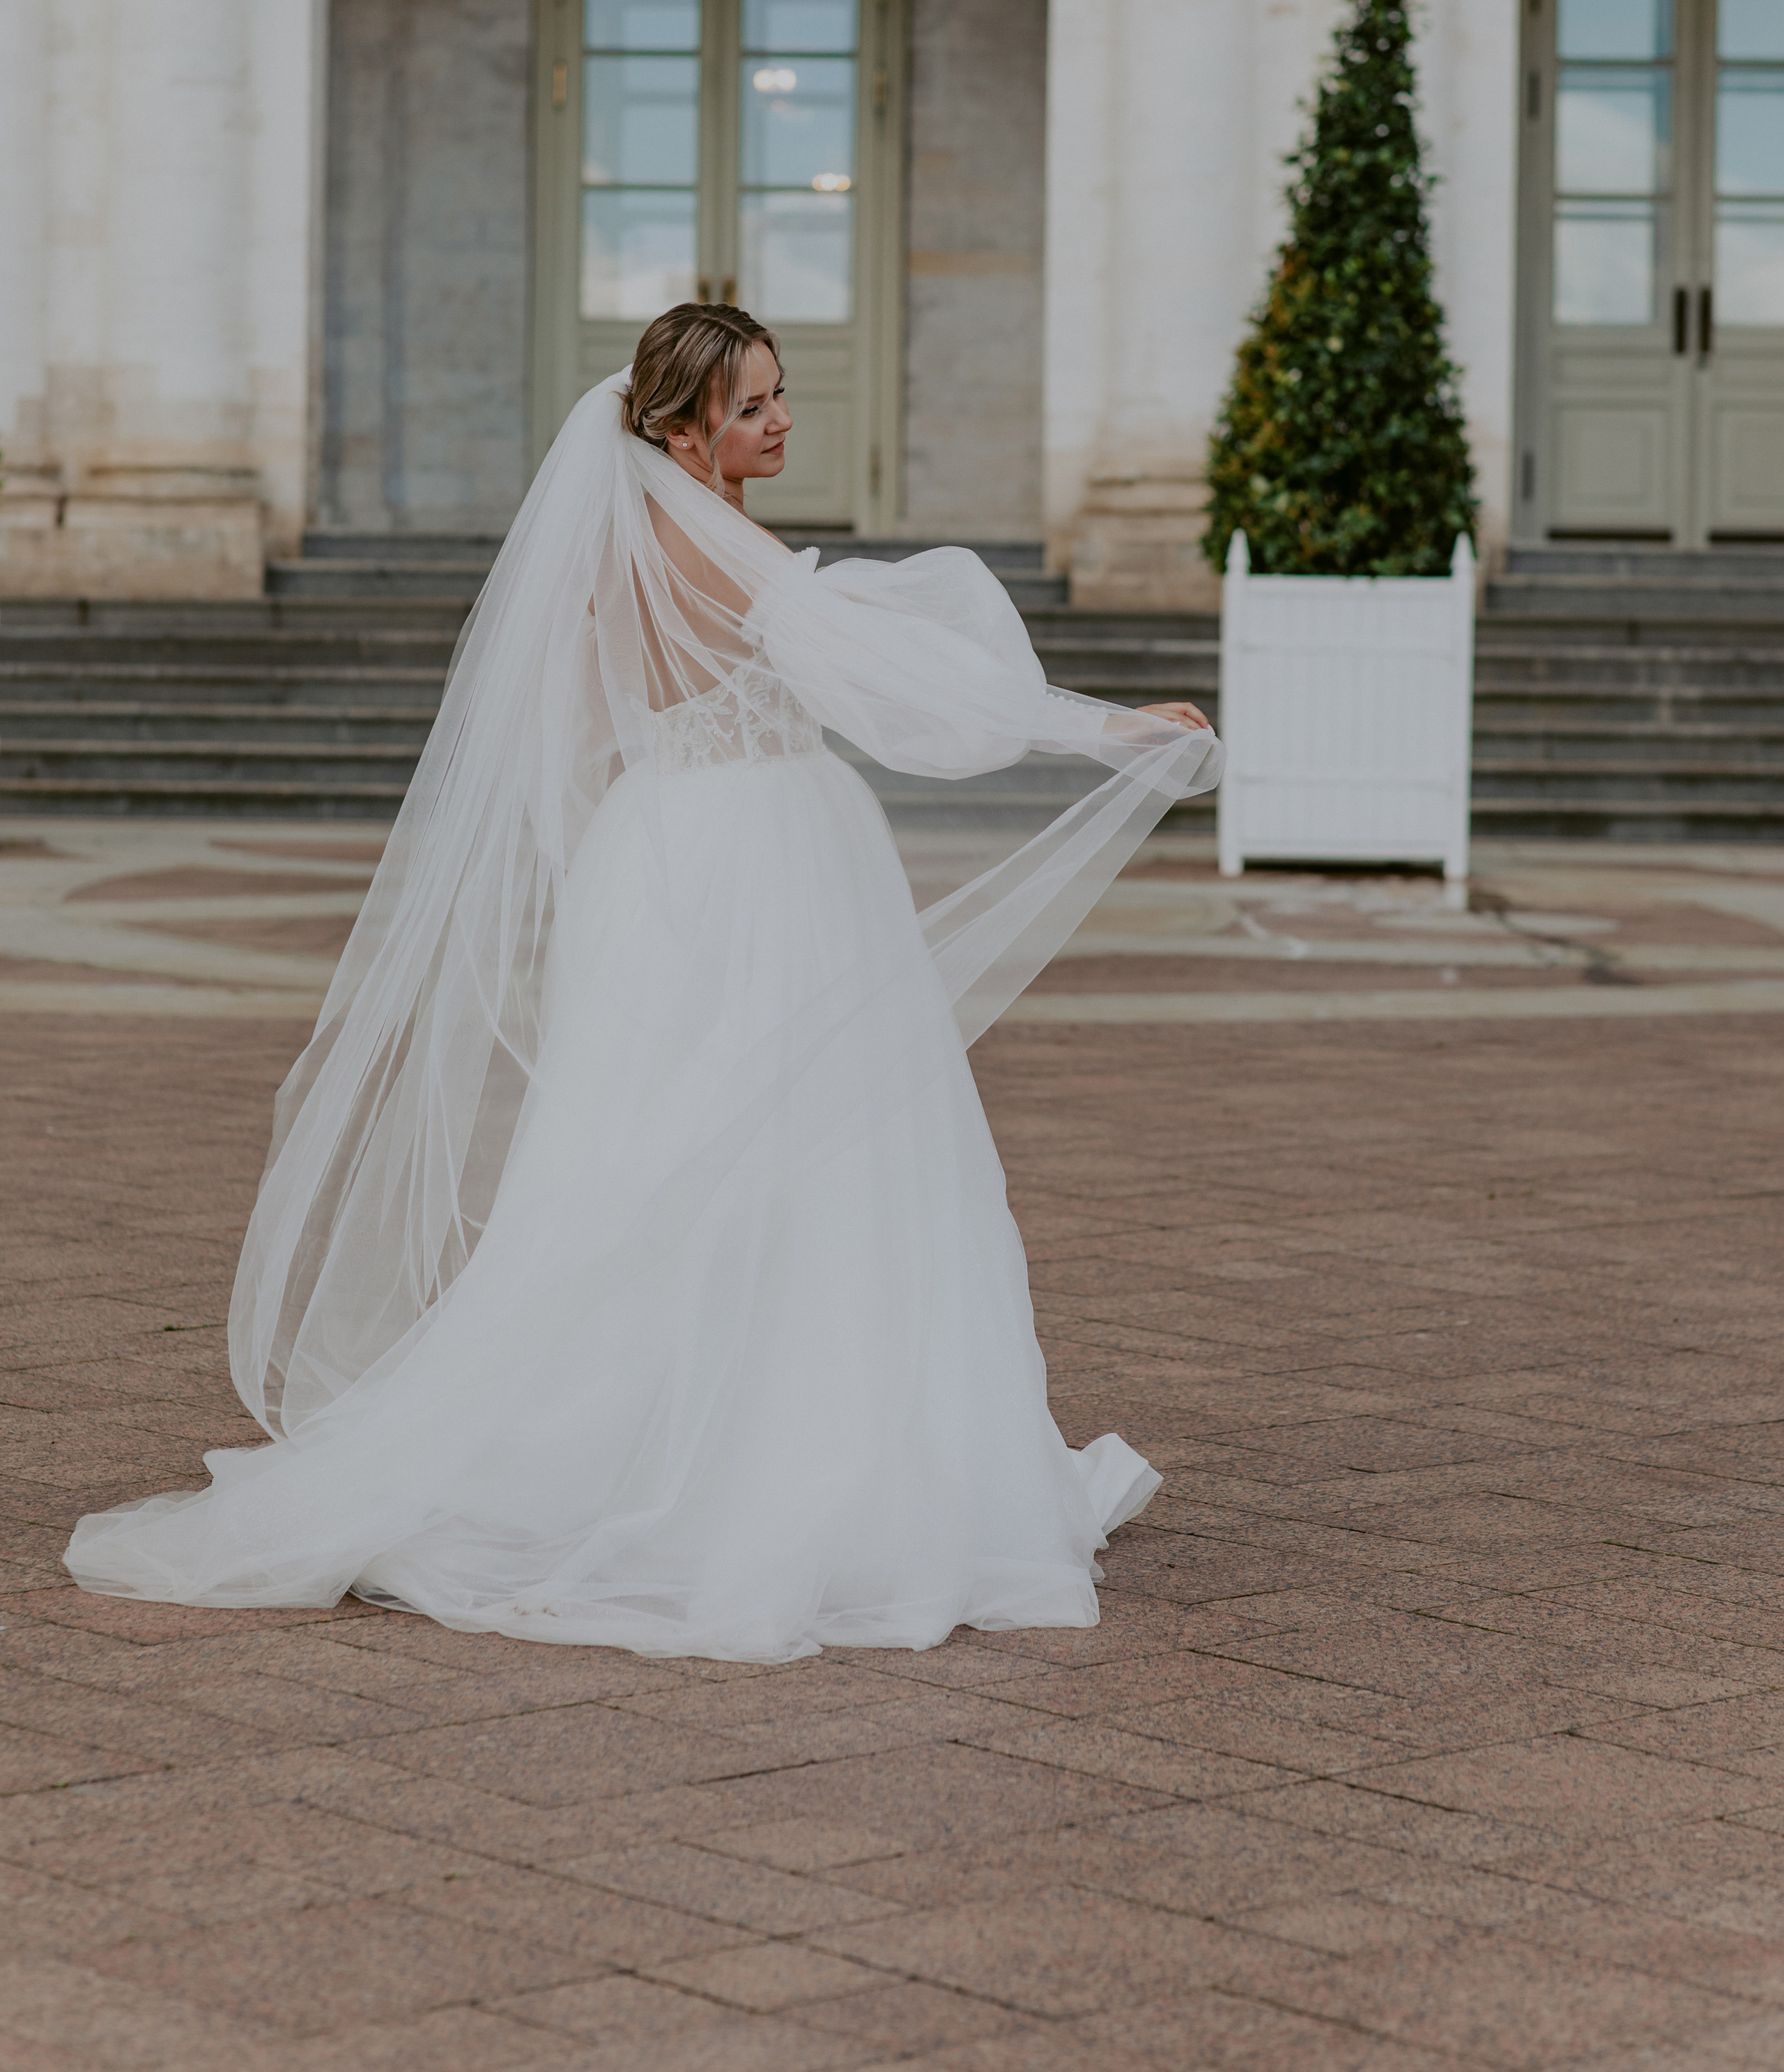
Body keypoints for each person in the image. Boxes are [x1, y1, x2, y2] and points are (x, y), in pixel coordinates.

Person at [67, 307, 1221, 1662]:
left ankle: (650, 1427)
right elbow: (917, 691)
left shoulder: (613, 549)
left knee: (648, 1157)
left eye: (779, 395)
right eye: (751, 407)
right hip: (767, 860)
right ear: (680, 433)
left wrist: (632, 868)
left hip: (657, 852)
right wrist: (1107, 729)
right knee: (812, 1153)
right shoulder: (727, 553)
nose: (781, 422)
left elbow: (584, 734)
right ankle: (788, 1460)